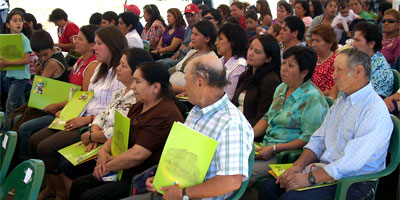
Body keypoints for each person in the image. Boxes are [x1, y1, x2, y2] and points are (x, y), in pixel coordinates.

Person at [258, 48, 393, 200]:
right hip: (326, 169)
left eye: (339, 70)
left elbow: (350, 163)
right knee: (269, 187)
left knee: (292, 197)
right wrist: (297, 167)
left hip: (353, 181)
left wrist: (309, 178)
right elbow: (318, 139)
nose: (333, 76)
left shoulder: (374, 110)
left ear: (358, 72)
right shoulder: (342, 100)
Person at [125, 54, 254, 200]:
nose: (184, 87)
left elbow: (230, 181)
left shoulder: (232, 125)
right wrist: (160, 179)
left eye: (186, 81)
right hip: (176, 191)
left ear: (200, 83)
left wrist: (183, 194)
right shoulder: (198, 110)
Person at [29, 26, 127, 200]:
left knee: (46, 147)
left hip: (92, 123)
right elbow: (87, 96)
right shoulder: (100, 69)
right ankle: (52, 187)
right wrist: (69, 111)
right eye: (94, 43)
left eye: (99, 44)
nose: (94, 48)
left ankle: (61, 194)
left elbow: (114, 112)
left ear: (112, 45)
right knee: (35, 138)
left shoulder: (120, 74)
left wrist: (88, 122)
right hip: (85, 118)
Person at [69, 61, 184, 200]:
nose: (133, 86)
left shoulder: (164, 113)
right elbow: (119, 134)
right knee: (79, 184)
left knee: (90, 196)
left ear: (155, 87)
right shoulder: (138, 105)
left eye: (137, 81)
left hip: (142, 176)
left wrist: (107, 166)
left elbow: (137, 155)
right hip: (122, 166)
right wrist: (103, 152)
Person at [58, 48, 153, 199]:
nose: (117, 68)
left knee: (71, 169)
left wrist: (92, 137)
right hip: (99, 140)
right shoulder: (119, 92)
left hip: (113, 148)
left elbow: (120, 130)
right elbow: (102, 116)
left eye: (123, 65)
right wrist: (92, 133)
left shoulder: (137, 99)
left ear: (136, 71)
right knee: (65, 161)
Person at [11, 26, 99, 162]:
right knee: (18, 119)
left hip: (73, 112)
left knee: (25, 129)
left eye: (80, 39)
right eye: (76, 37)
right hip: (62, 107)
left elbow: (84, 97)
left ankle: (23, 162)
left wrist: (57, 105)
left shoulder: (91, 65)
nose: (75, 41)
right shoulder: (80, 61)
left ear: (92, 45)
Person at [249, 46, 329, 186]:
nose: (284, 68)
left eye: (290, 65)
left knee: (243, 175)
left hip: (284, 156)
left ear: (304, 72)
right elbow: (268, 118)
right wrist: (249, 135)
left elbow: (308, 138)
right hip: (265, 146)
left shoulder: (312, 98)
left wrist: (274, 149)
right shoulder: (281, 88)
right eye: (284, 63)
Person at [232, 35, 281, 129]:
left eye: (257, 52)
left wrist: (238, 128)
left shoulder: (271, 81)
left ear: (268, 59)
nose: (250, 53)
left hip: (251, 130)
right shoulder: (245, 75)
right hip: (235, 123)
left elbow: (262, 118)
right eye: (250, 48)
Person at [0, 12, 32, 132]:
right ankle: (16, 130)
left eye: (20, 20)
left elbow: (26, 60)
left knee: (10, 105)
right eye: (14, 20)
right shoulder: (7, 39)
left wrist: (7, 63)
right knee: (19, 106)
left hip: (20, 78)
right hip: (9, 76)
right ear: (8, 24)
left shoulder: (23, 39)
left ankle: (4, 132)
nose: (18, 23)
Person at [169, 20, 217, 94]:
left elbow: (202, 89)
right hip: (172, 89)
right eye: (192, 33)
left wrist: (173, 88)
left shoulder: (210, 59)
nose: (192, 37)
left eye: (196, 34)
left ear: (207, 39)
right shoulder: (192, 52)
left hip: (185, 98)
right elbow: (176, 68)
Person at [353, 22, 393, 98]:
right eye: (354, 40)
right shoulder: (359, 61)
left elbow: (369, 100)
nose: (354, 44)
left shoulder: (380, 69)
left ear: (371, 44)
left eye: (358, 40)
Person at [157, 3, 200, 69]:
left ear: (198, 15)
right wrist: (176, 53)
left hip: (188, 61)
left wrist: (183, 49)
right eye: (187, 17)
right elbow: (183, 44)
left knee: (163, 65)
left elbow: (194, 50)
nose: (190, 19)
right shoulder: (189, 27)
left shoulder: (201, 29)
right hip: (180, 57)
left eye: (192, 16)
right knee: (157, 63)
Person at [215, 23, 248, 100]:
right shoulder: (219, 61)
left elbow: (229, 98)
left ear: (232, 42)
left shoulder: (239, 66)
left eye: (220, 39)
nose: (216, 43)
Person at [311, 24, 339, 99]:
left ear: (330, 43)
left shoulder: (336, 62)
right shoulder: (313, 57)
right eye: (313, 40)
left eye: (317, 41)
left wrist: (310, 96)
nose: (313, 44)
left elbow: (331, 91)